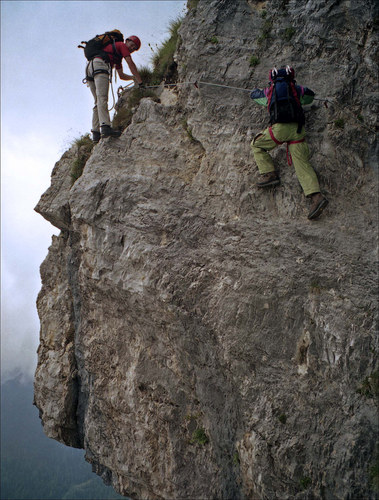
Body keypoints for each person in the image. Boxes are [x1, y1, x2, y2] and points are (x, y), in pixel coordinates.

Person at [250, 65, 328, 220]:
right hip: (298, 130)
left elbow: (255, 96)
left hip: (279, 130)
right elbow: (310, 96)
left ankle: (269, 174)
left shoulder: (270, 91)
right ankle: (316, 197)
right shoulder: (296, 89)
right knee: (302, 164)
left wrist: (257, 90)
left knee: (256, 144)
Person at [85, 35, 144, 142]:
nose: (131, 48)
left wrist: (132, 78)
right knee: (102, 98)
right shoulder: (121, 45)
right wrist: (140, 82)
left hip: (90, 67)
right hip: (101, 65)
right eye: (132, 45)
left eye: (134, 48)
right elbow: (130, 63)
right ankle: (105, 127)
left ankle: (96, 133)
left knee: (97, 101)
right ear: (126, 41)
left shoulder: (116, 54)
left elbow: (121, 75)